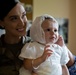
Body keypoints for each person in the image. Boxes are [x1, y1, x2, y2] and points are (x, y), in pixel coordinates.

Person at [0, 0, 37, 75]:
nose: (22, 23)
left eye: (23, 15)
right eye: (14, 18)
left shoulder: (35, 45)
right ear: (1, 23)